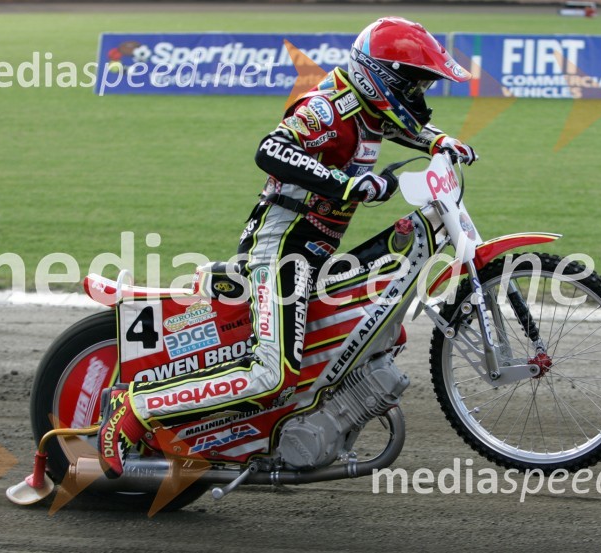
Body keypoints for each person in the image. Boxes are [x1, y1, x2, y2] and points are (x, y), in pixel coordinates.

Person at [97, 17, 478, 478]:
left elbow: (395, 124)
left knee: (377, 323)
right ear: (381, 77)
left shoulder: (366, 108)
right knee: (270, 375)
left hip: (315, 249)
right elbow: (271, 150)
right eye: (414, 84)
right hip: (280, 248)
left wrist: (436, 139)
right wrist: (347, 185)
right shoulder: (325, 109)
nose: (420, 97)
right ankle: (135, 405)